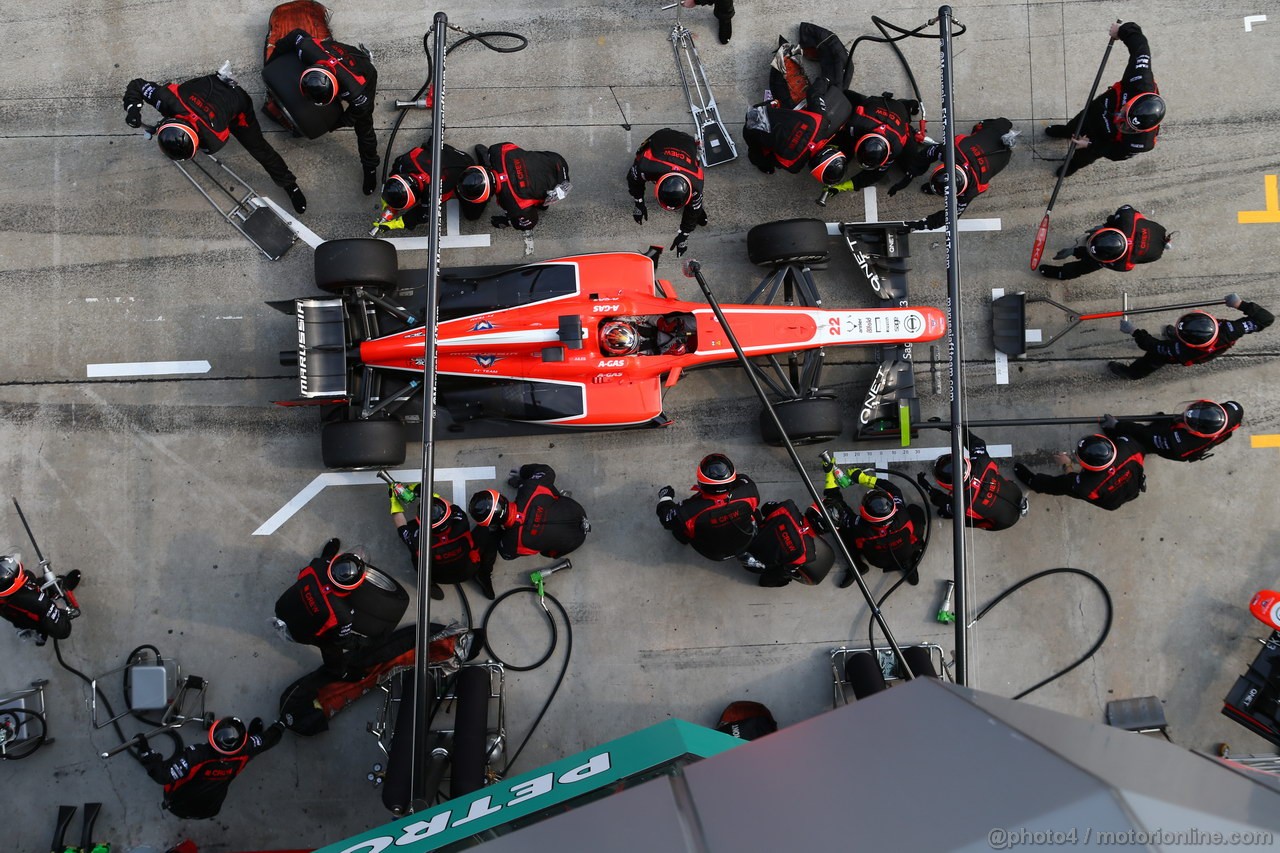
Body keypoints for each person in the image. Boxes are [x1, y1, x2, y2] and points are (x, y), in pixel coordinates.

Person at [122, 71, 307, 213]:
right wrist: (132, 109)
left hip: (237, 101)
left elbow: (136, 85)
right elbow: (137, 85)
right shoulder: (166, 98)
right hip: (208, 87)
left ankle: (290, 185)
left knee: (259, 149)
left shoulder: (214, 139)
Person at [268, 26, 380, 193]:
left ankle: (370, 167)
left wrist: (332, 125)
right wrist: (272, 63)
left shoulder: (357, 91)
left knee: (365, 128)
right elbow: (295, 34)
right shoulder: (306, 48)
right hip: (329, 54)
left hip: (361, 72)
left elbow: (355, 114)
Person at [1046, 21, 1163, 177]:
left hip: (1106, 137)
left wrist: (1090, 144)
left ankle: (1072, 165)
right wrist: (1121, 31)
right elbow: (1140, 46)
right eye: (1123, 114)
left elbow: (1115, 153)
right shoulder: (1141, 78)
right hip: (1103, 107)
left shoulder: (1142, 143)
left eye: (1126, 125)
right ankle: (1068, 131)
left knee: (1086, 155)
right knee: (1080, 120)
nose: (1118, 118)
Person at [743, 24, 853, 180]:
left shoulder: (821, 122)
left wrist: (825, 81)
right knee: (760, 156)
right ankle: (761, 164)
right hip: (754, 125)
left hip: (759, 117)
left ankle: (789, 51)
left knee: (840, 77)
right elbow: (773, 153)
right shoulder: (793, 165)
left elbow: (814, 93)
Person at [137, 716, 285, 820]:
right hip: (211, 808)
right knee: (248, 754)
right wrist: (280, 725)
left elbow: (163, 775)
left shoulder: (195, 756)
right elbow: (267, 740)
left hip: (178, 806)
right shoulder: (245, 749)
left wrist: (146, 752)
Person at [892, 118, 1017, 231]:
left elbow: (950, 217)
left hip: (1002, 153)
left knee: (981, 128)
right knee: (980, 127)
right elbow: (925, 155)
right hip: (992, 134)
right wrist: (909, 176)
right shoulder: (951, 150)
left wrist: (921, 225)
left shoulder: (973, 188)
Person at [1108, 294, 1273, 380]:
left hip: (1183, 353)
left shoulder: (1181, 351)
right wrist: (1241, 304)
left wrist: (1134, 332)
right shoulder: (1232, 329)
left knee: (1154, 358)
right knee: (1171, 342)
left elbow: (1153, 345)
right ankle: (1179, 334)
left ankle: (1133, 373)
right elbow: (1267, 318)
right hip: (1191, 344)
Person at [273, 539, 369, 678]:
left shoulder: (316, 566)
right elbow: (343, 640)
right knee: (331, 645)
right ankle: (340, 672)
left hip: (281, 607)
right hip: (300, 634)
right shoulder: (343, 614)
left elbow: (303, 575)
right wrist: (367, 642)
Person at [391, 487, 498, 601]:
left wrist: (393, 501)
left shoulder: (417, 540)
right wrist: (425, 492)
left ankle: (428, 584)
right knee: (488, 531)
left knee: (416, 554)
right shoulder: (461, 522)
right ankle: (484, 574)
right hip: (470, 569)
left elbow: (401, 527)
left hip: (439, 577)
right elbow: (450, 506)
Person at [468, 464, 590, 560]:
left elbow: (505, 555)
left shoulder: (512, 543)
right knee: (545, 489)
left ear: (491, 522)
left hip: (574, 541)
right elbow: (547, 471)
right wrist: (523, 472)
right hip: (576, 511)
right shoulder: (530, 488)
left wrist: (496, 530)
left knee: (546, 552)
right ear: (501, 497)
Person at [656, 454, 761, 562]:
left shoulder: (688, 510)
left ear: (701, 483)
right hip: (745, 541)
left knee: (680, 528)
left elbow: (667, 520)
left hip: (713, 552)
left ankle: (683, 540)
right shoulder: (749, 490)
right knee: (754, 511)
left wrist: (665, 498)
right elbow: (741, 479)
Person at [823, 476, 925, 586]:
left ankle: (856, 565)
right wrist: (863, 477)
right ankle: (911, 559)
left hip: (878, 561)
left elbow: (838, 510)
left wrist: (831, 484)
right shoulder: (902, 514)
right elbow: (893, 489)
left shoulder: (858, 527)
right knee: (915, 510)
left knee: (842, 528)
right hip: (905, 553)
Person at [916, 433, 1027, 531]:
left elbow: (938, 499)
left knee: (964, 520)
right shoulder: (983, 462)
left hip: (1004, 521)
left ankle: (949, 515)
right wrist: (952, 428)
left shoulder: (961, 505)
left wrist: (925, 485)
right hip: (1014, 492)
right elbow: (977, 442)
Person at [627, 128, 708, 258]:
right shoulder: (645, 165)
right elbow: (633, 180)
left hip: (687, 142)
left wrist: (684, 234)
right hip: (663, 136)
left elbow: (693, 210)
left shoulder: (696, 183)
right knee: (639, 155)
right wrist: (639, 203)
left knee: (695, 207)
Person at [1014, 433, 1145, 511]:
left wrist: (1066, 464)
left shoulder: (1086, 486)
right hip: (1134, 484)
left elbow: (1071, 480)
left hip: (1110, 501)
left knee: (1061, 485)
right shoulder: (1130, 447)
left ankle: (1033, 482)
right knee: (1132, 492)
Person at [458, 143, 571, 232]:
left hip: (560, 183)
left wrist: (508, 221)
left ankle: (541, 204)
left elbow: (529, 223)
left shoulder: (515, 206)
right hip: (555, 159)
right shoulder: (497, 150)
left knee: (472, 216)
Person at [376, 140, 483, 232]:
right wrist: (389, 200)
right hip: (442, 153)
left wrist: (396, 224)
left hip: (466, 165)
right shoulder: (407, 160)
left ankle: (485, 165)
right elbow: (395, 170)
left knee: (472, 215)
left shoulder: (437, 191)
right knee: (430, 148)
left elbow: (424, 214)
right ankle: (434, 139)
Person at [1037, 205, 1169, 279]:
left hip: (1152, 247)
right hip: (1153, 230)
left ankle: (1062, 274)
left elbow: (1093, 258)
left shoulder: (1122, 265)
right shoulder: (1126, 216)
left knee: (1086, 266)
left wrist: (1075, 251)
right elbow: (1124, 211)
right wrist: (1104, 226)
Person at [830, 90, 925, 191]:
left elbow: (876, 174)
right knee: (844, 95)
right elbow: (843, 141)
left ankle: (906, 105)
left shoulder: (896, 146)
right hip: (876, 103)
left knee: (911, 167)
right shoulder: (855, 124)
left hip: (900, 112)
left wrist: (846, 186)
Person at [1102, 400, 1244, 463]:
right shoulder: (1233, 410)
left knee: (1146, 441)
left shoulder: (1179, 444)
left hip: (1174, 449)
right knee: (1164, 423)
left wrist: (1118, 425)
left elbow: (1144, 433)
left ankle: (1114, 434)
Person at [739, 499, 834, 588]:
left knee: (754, 512)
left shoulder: (788, 507)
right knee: (782, 576)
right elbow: (782, 573)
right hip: (751, 563)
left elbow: (765, 508)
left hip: (744, 540)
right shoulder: (808, 554)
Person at [0, 554, 76, 645]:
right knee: (55, 591)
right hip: (35, 613)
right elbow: (64, 631)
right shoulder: (35, 602)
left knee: (42, 585)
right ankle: (40, 632)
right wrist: (62, 612)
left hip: (20, 604)